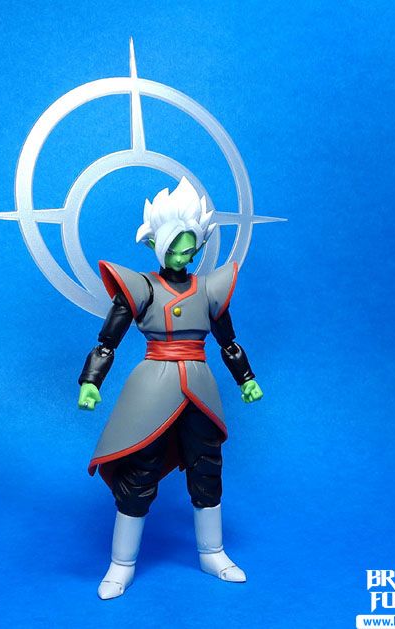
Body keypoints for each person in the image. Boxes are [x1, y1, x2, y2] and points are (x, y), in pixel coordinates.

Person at [77, 176, 263, 600]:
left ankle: (212, 552)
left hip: (199, 386)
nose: (184, 257)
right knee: (139, 470)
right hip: (153, 387)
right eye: (176, 248)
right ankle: (121, 564)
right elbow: (107, 342)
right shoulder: (142, 289)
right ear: (157, 245)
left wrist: (246, 379)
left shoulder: (209, 290)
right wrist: (91, 381)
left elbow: (228, 342)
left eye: (190, 249)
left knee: (206, 467)